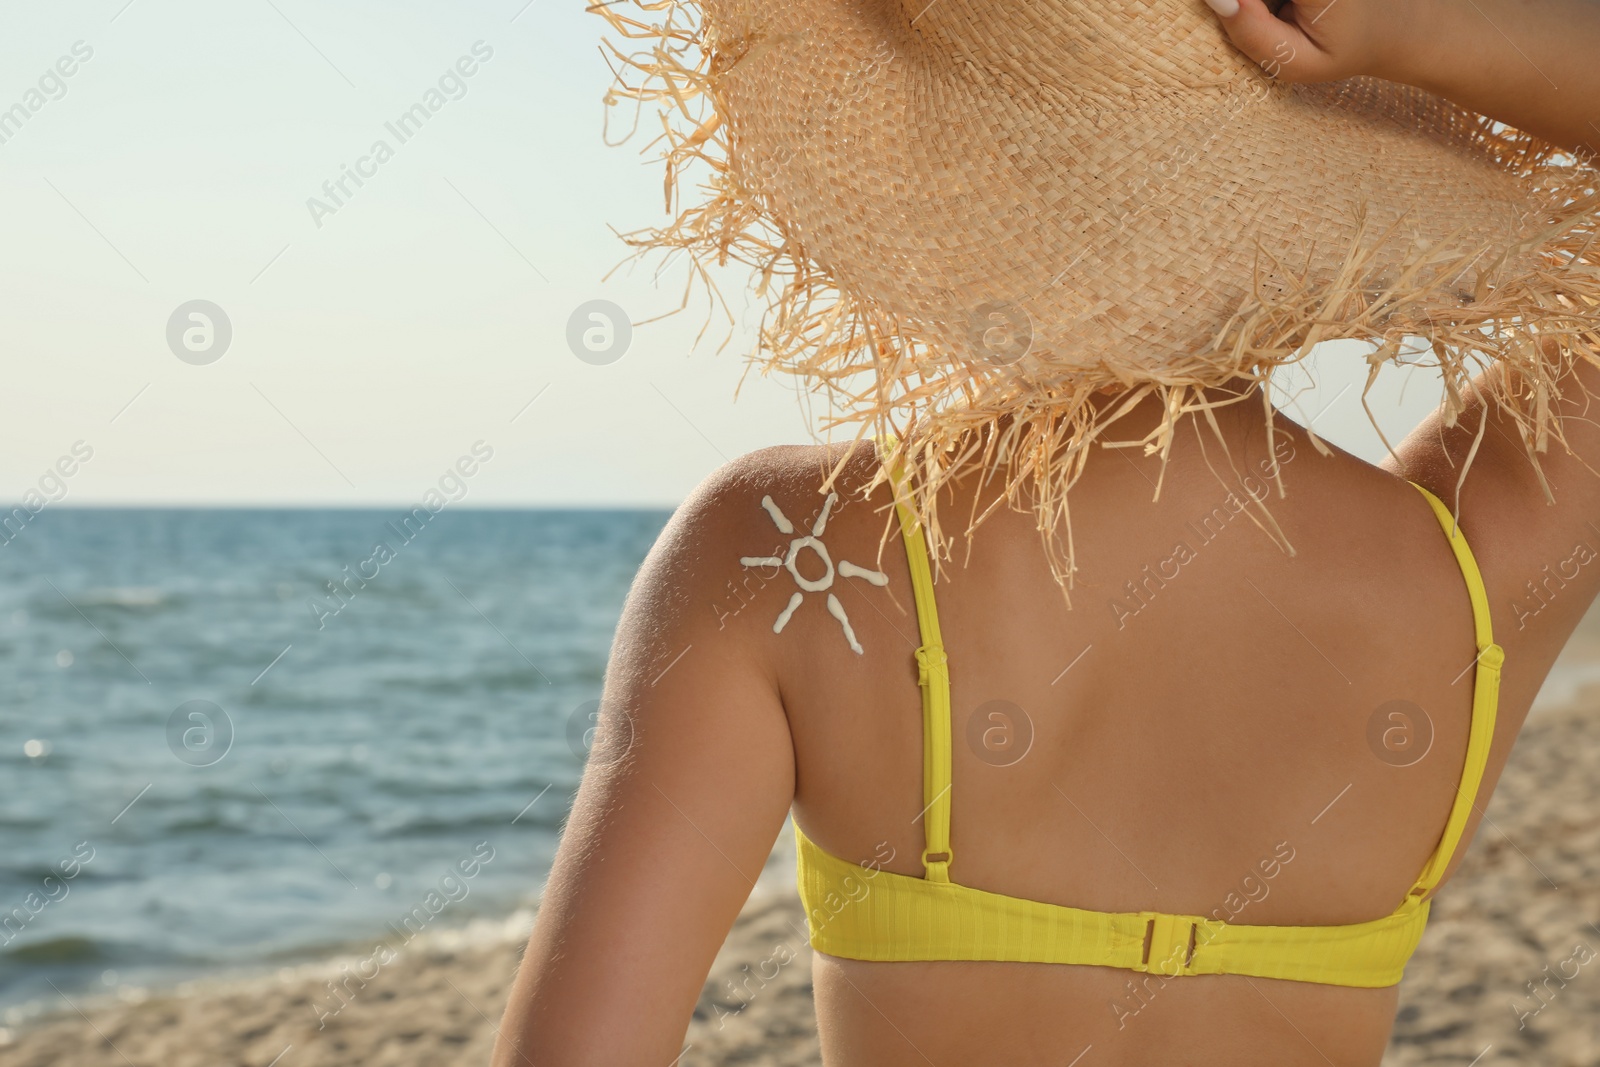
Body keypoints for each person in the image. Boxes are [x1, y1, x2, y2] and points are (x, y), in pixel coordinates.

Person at [496, 0, 1600, 1063]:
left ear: (950, 170)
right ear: (1317, 171)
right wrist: (1413, 28)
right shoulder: (1474, 571)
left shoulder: (785, 545)